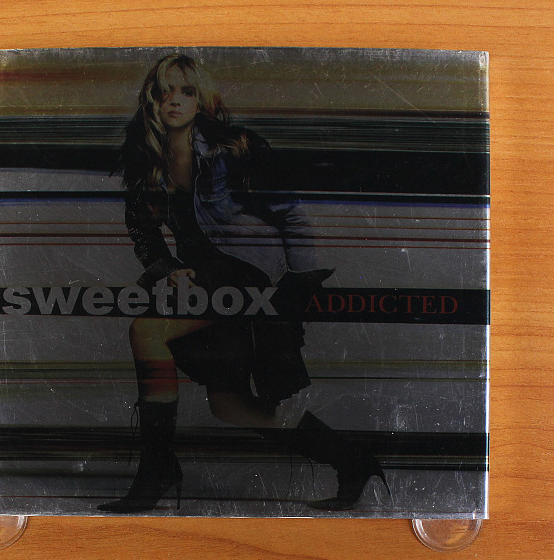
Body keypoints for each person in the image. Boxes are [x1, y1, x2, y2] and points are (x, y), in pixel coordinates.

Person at [97, 54, 388, 514]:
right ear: (152, 100)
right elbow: (143, 231)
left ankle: (157, 470)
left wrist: (298, 284)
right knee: (229, 406)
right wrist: (167, 268)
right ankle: (353, 460)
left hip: (247, 273)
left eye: (186, 91)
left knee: (147, 331)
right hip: (204, 276)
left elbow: (291, 214)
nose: (174, 100)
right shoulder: (146, 159)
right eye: (165, 91)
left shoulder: (234, 148)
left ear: (201, 100)